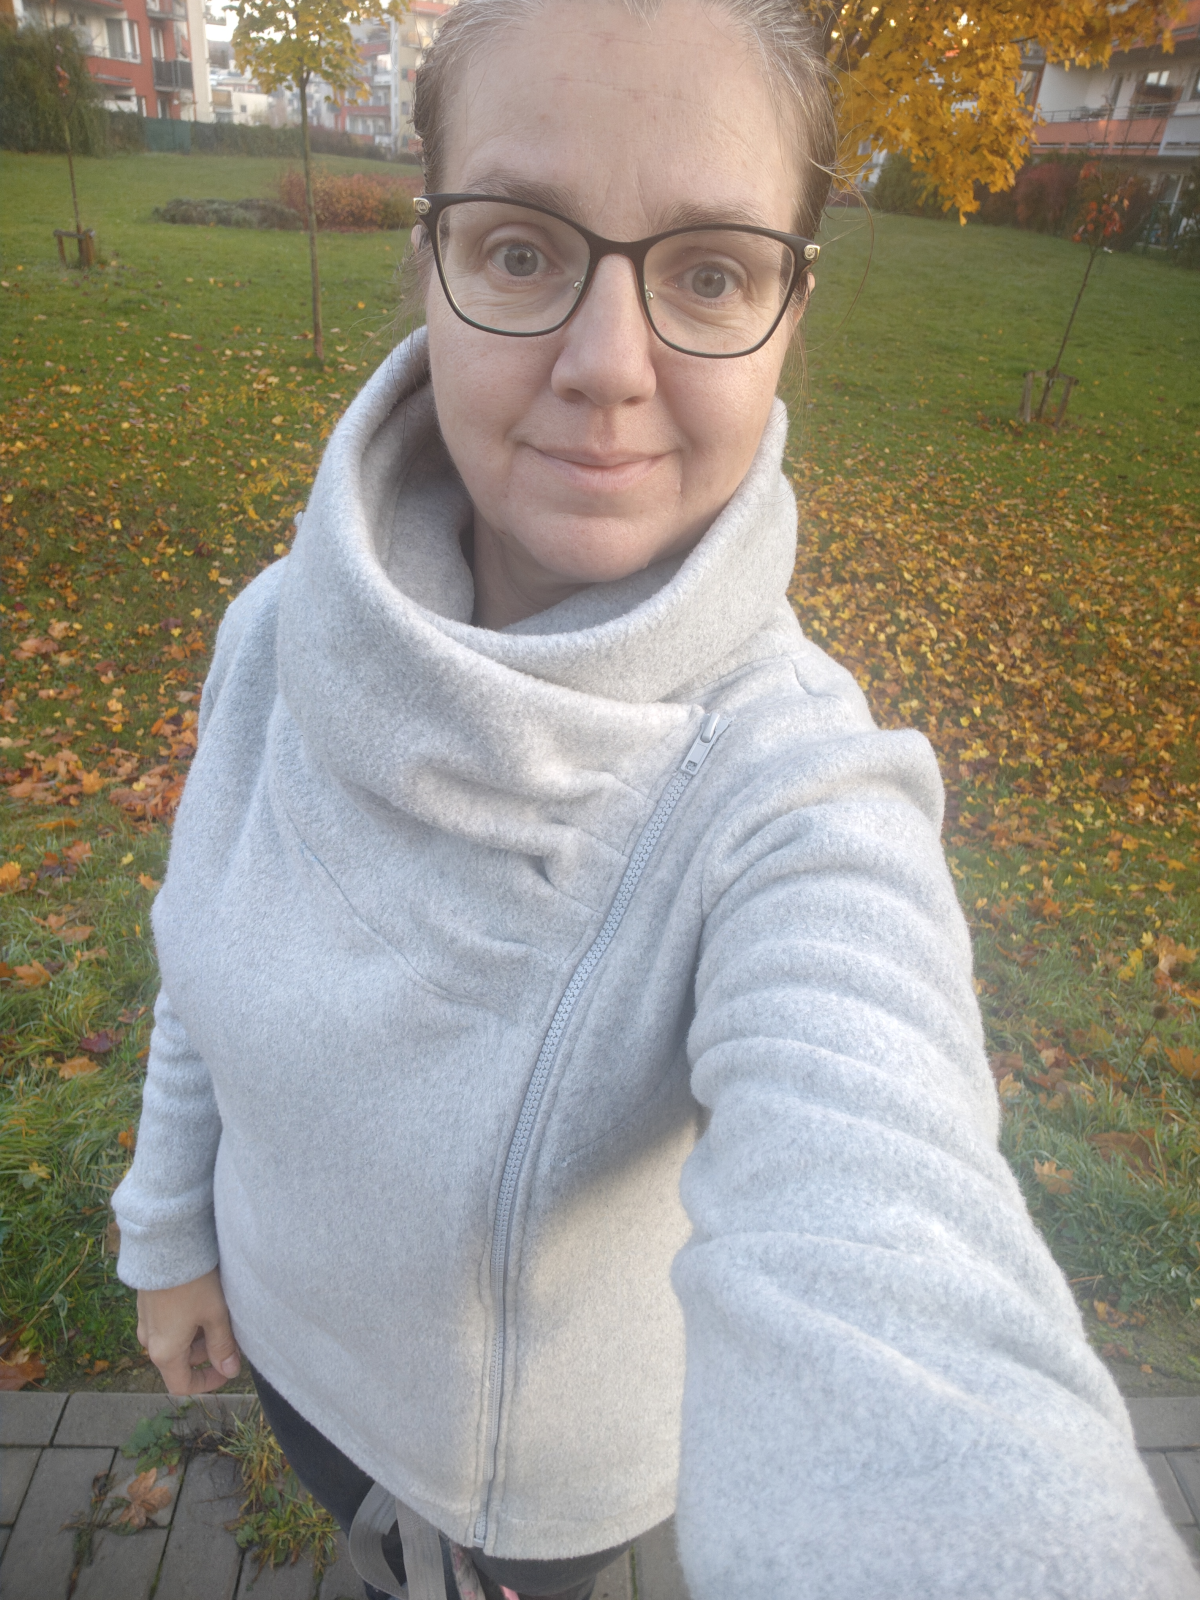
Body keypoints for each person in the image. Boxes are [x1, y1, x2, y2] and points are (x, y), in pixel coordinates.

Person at [115, 3, 1197, 1597]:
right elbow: (199, 952)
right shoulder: (277, 631)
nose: (608, 368)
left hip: (512, 1510)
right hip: (282, 1357)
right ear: (432, 263)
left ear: (789, 313)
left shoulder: (789, 803)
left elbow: (888, 1252)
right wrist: (169, 1231)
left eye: (708, 273)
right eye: (521, 249)